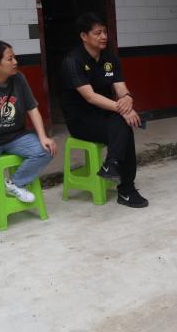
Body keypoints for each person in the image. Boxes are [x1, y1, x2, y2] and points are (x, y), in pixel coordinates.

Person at [0, 41, 57, 242]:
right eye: (10, 58)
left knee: (46, 149)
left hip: (15, 136)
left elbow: (32, 108)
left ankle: (14, 184)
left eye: (14, 57)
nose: (15, 62)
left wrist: (43, 136)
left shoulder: (18, 78)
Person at [60, 12, 148, 208]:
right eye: (98, 33)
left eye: (105, 32)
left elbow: (120, 87)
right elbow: (90, 97)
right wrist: (123, 110)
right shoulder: (73, 61)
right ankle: (126, 188)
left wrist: (127, 98)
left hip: (106, 114)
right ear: (84, 36)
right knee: (124, 127)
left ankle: (112, 165)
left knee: (123, 125)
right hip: (81, 120)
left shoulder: (109, 57)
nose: (103, 37)